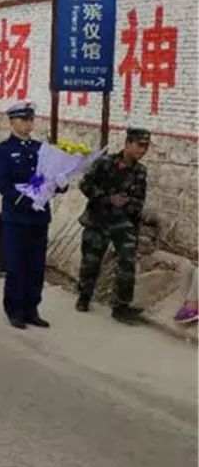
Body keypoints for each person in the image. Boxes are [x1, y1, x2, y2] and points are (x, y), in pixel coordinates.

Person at [0, 101, 60, 330]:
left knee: (36, 266)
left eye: (31, 119)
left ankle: (32, 308)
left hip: (39, 217)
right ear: (12, 122)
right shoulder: (2, 151)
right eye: (23, 119)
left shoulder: (42, 149)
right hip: (17, 216)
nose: (28, 123)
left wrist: (60, 184)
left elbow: (51, 176)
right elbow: (4, 185)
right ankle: (15, 310)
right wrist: (28, 199)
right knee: (16, 265)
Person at [75, 127, 150, 324]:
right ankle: (84, 297)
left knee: (127, 264)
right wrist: (107, 199)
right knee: (91, 261)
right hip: (99, 220)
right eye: (140, 145)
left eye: (146, 147)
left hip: (124, 224)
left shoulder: (140, 172)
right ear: (127, 143)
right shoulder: (105, 163)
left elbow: (140, 200)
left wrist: (127, 203)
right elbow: (85, 185)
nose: (143, 150)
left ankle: (121, 306)